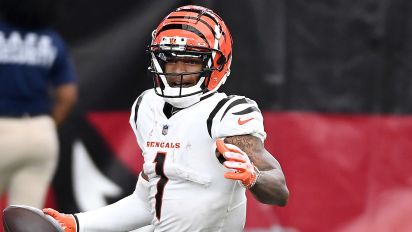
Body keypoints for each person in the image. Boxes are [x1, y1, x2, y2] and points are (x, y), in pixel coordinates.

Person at [43, 5, 289, 232]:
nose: (179, 70)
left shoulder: (226, 114)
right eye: (171, 59)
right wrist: (78, 223)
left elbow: (279, 191)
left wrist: (253, 177)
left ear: (218, 63)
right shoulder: (147, 107)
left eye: (191, 61)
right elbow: (145, 202)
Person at [0, 0, 77, 209]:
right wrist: (46, 125)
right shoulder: (51, 39)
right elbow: (68, 95)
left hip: (3, 128)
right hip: (40, 133)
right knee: (24, 220)